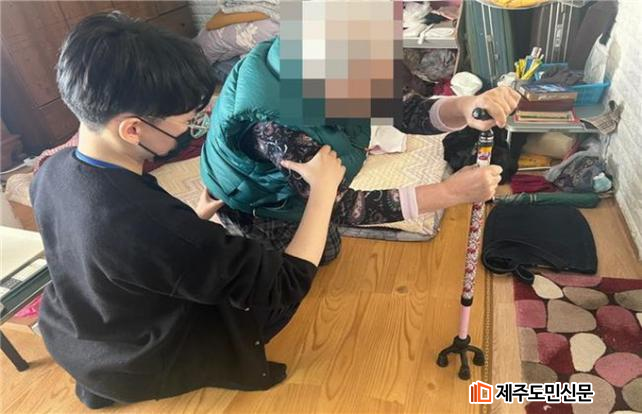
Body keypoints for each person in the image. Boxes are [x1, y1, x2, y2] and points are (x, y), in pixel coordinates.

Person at [30, 12, 346, 408]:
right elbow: (285, 282)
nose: (192, 129)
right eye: (185, 122)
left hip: (82, 335)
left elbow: (108, 254)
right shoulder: (151, 226)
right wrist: (322, 193)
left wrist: (192, 221)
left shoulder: (53, 170)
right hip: (144, 359)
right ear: (133, 129)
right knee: (274, 295)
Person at [201, 37, 521, 263]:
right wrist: (449, 193)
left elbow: (407, 111)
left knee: (325, 247)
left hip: (297, 179)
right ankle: (238, 238)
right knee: (295, 273)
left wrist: (466, 106)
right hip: (257, 202)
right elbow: (340, 205)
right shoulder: (277, 127)